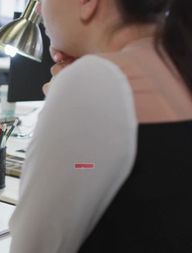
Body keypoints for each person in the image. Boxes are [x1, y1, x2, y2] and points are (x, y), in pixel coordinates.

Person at [10, 0, 192, 252]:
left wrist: (66, 96)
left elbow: (31, 247)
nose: (39, 10)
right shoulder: (177, 65)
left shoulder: (95, 80)